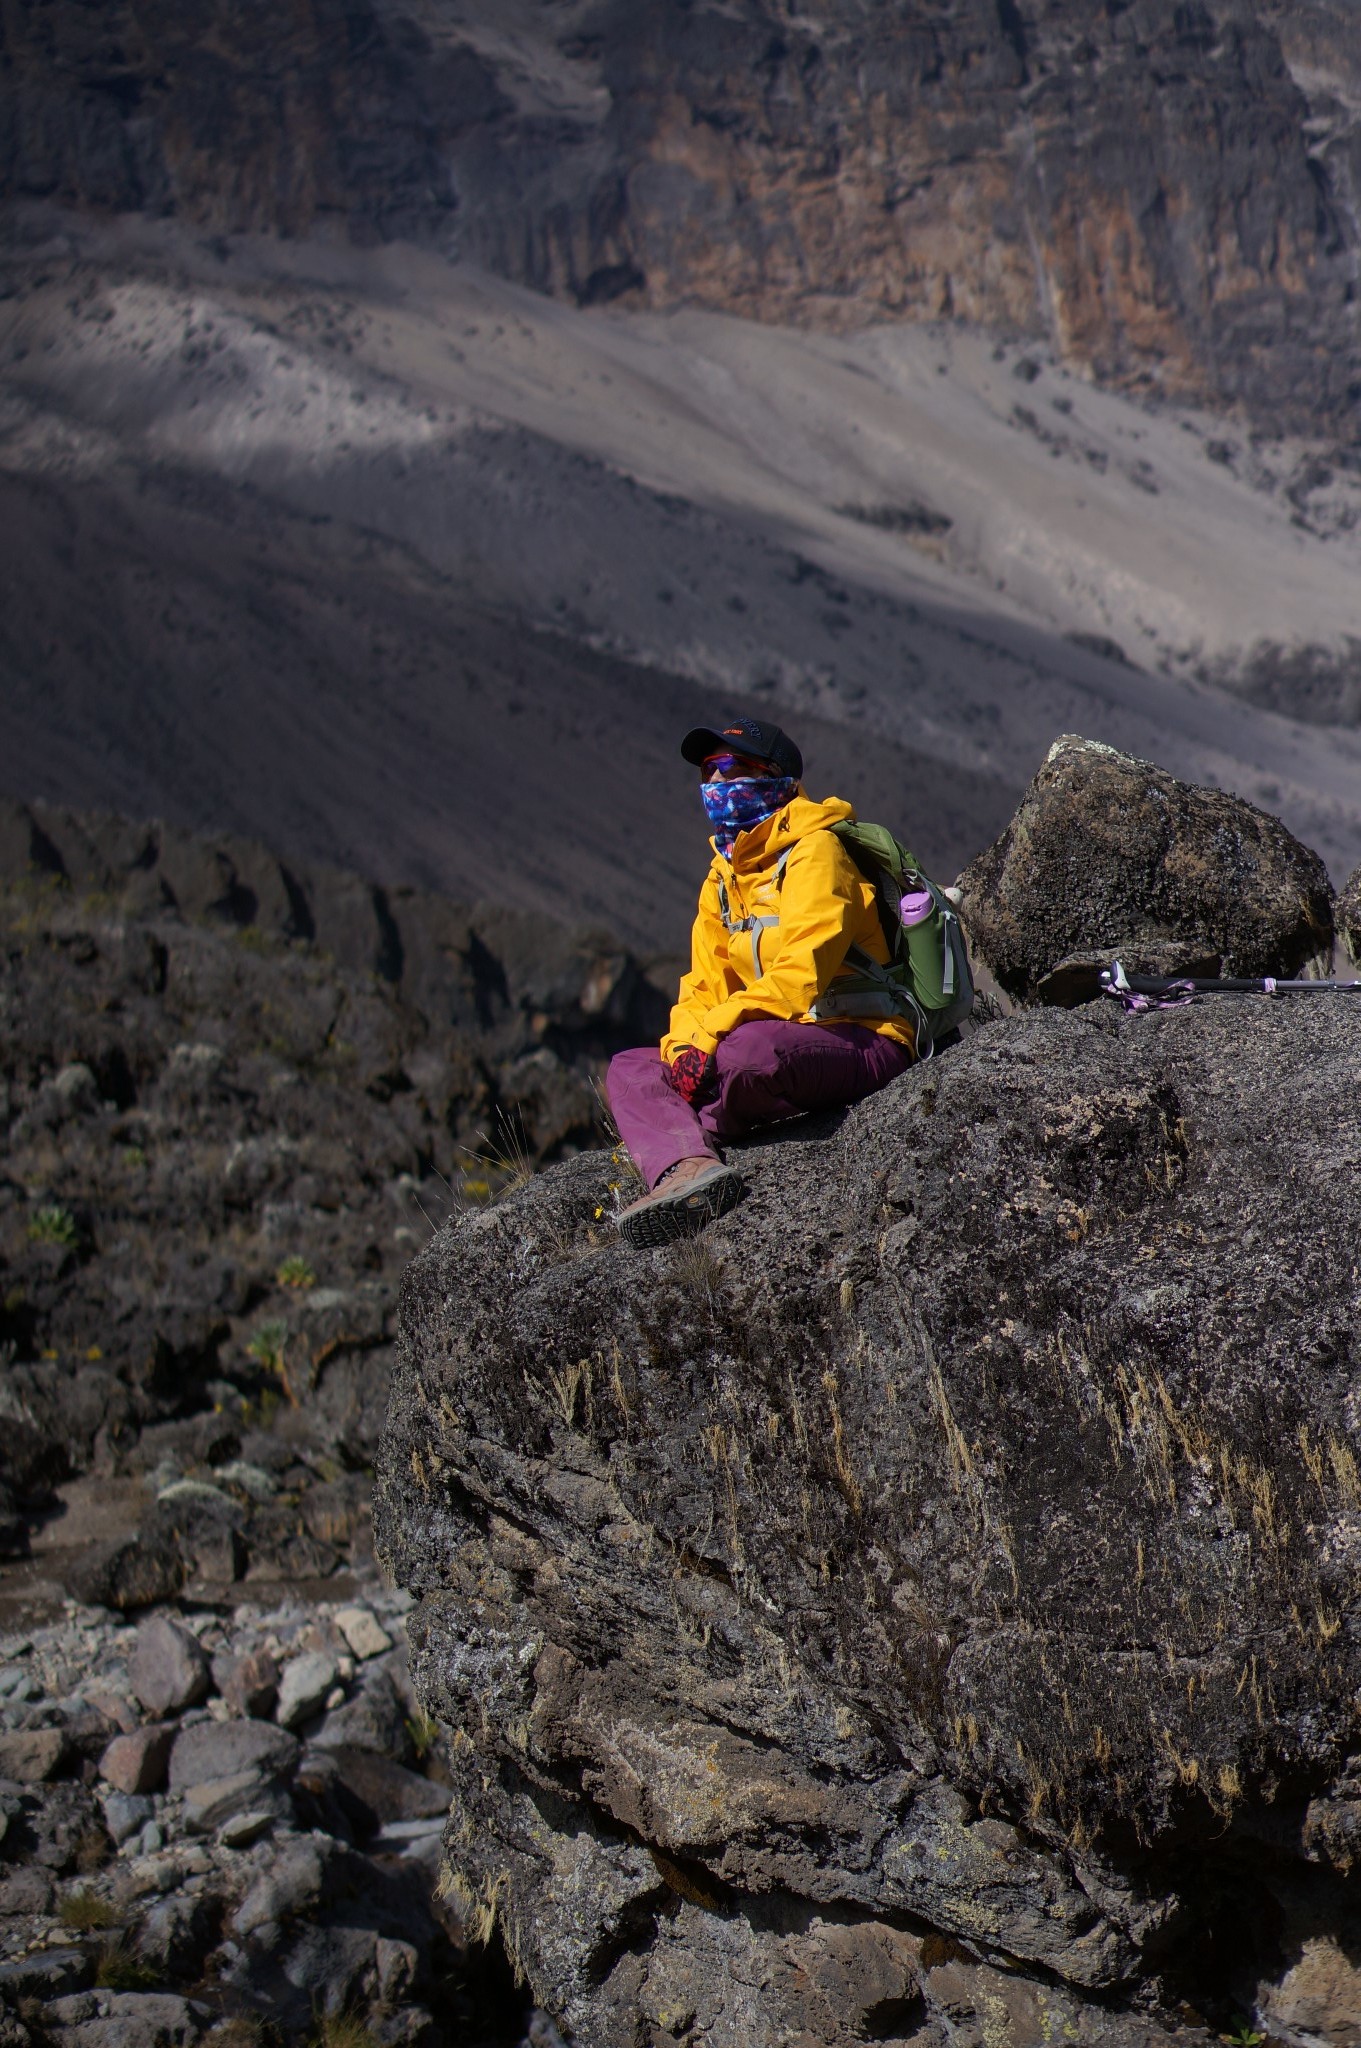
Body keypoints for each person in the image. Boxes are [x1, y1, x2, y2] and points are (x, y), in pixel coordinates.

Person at [607, 718, 917, 1247]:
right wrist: (685, 1046)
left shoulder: (817, 852)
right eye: (709, 771)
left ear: (776, 778)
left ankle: (677, 1130)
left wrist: (710, 1040)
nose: (717, 783)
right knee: (631, 1067)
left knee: (749, 1055)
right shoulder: (723, 879)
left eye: (734, 768)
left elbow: (801, 976)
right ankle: (688, 1169)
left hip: (865, 1035)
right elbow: (702, 987)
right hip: (775, 1041)